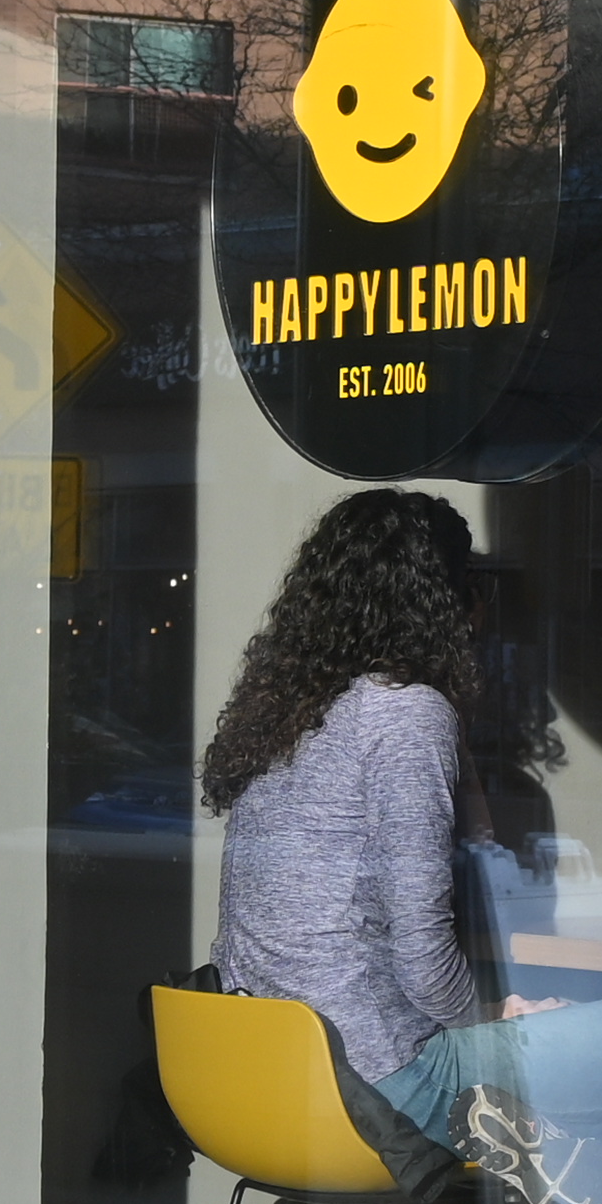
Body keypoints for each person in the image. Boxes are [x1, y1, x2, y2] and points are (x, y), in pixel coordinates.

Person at [203, 491, 523, 1151]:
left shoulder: (289, 712)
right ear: (444, 600)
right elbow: (422, 956)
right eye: (471, 586)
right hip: (376, 1086)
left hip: (258, 1076)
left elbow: (478, 839)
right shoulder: (404, 715)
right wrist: (488, 1024)